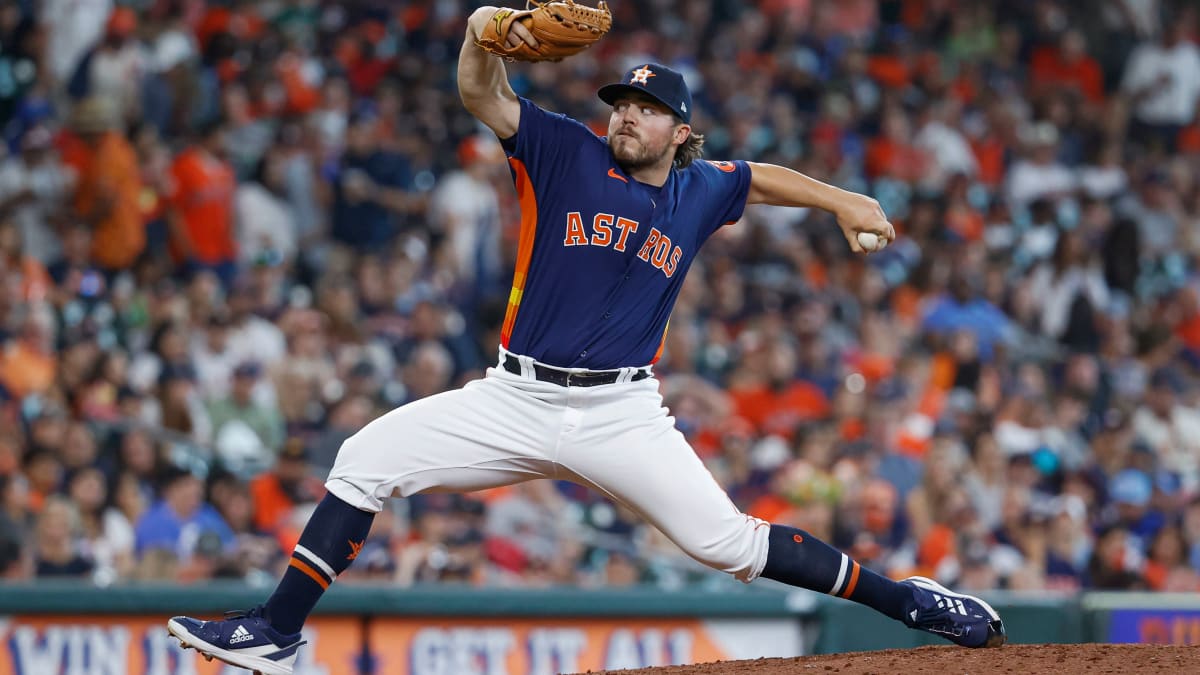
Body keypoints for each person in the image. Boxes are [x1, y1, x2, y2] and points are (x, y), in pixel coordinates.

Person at [166, 8, 1005, 673]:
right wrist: (479, 32)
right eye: (622, 103)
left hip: (620, 411)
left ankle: (909, 603)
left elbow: (762, 177)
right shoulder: (564, 151)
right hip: (512, 395)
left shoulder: (698, 190)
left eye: (646, 109)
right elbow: (482, 97)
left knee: (730, 545)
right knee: (363, 457)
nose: (627, 116)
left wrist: (848, 201)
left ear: (680, 131)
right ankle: (275, 632)